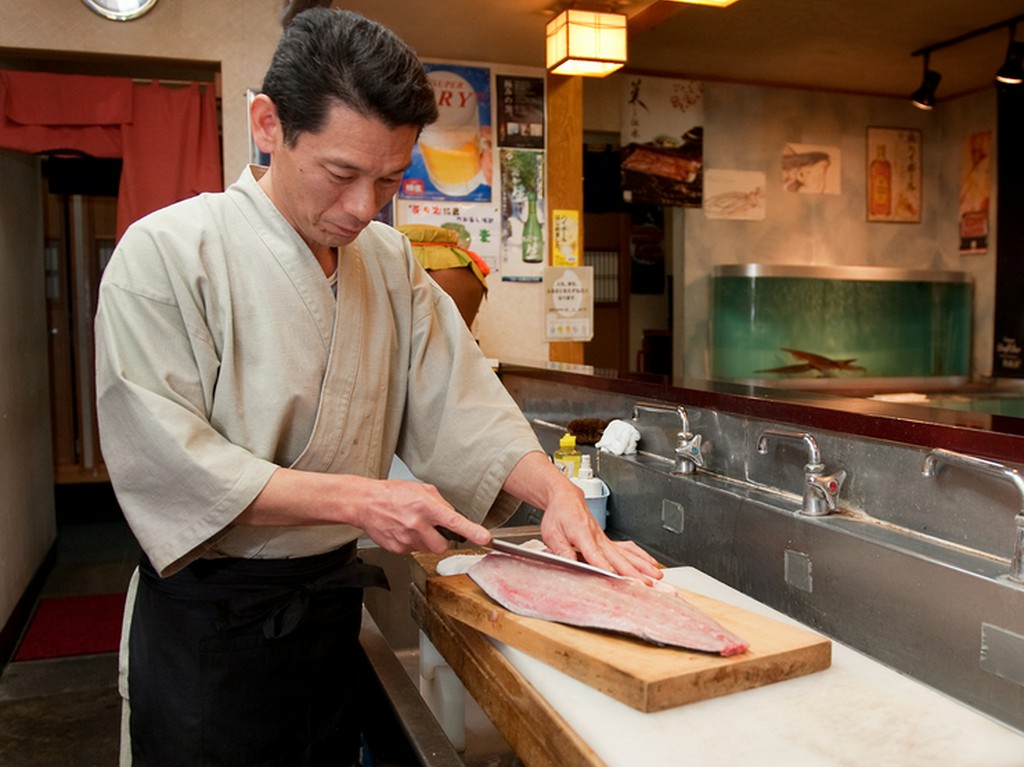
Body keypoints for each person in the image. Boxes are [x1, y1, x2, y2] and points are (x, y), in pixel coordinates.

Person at [94, 8, 661, 766]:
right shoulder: (166, 254)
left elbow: (460, 404)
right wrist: (363, 500)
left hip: (329, 618)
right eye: (341, 174)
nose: (365, 207)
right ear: (268, 125)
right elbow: (169, 462)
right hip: (208, 632)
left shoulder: (391, 264)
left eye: (390, 179)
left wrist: (555, 492)